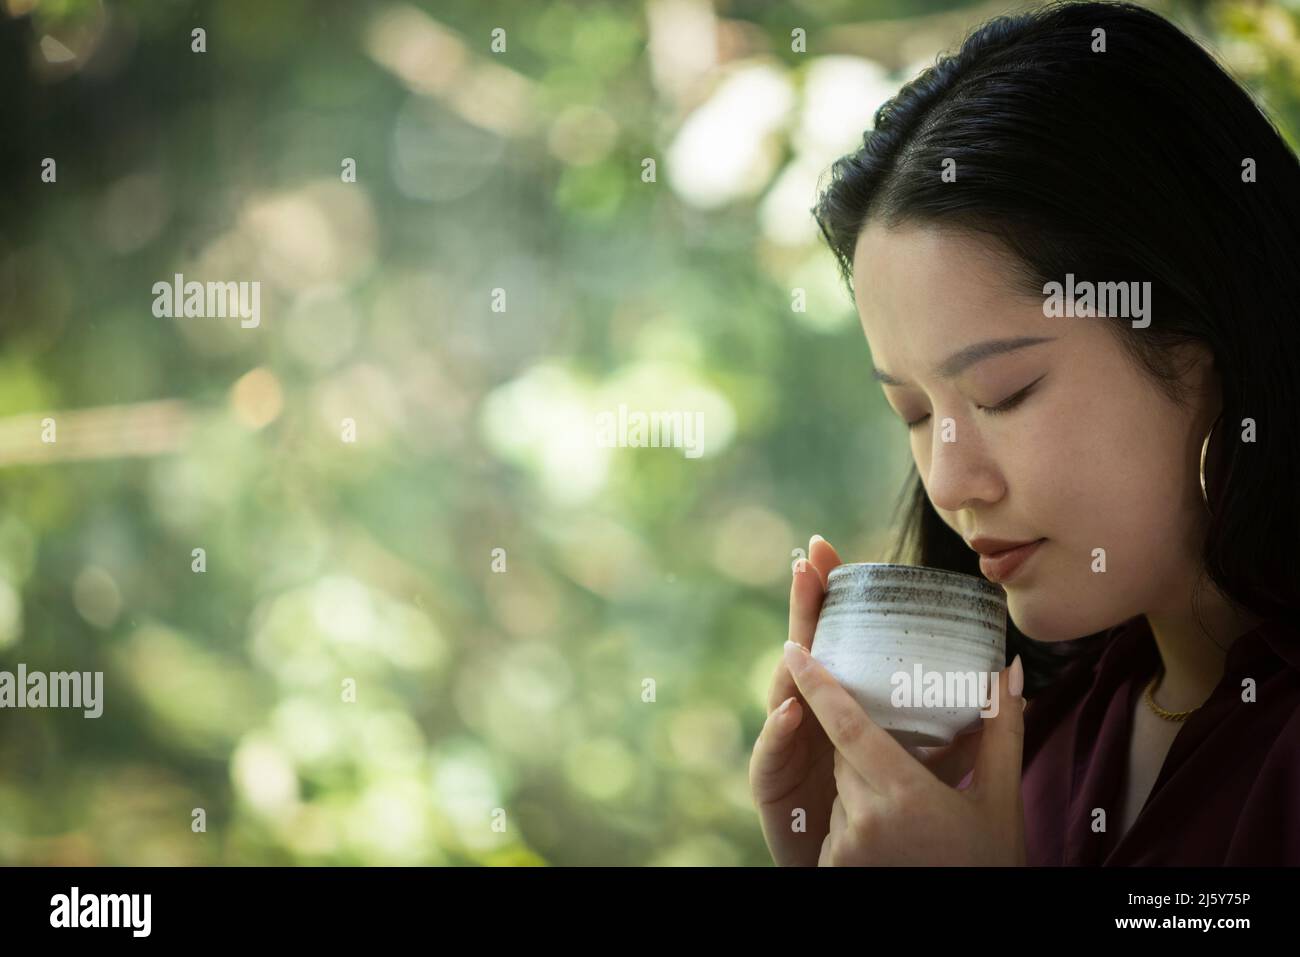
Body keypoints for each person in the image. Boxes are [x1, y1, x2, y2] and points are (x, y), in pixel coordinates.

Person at [750, 0, 1300, 865]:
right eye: (916, 415)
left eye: (1004, 392)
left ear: (1205, 343)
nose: (949, 483)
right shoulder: (1029, 757)